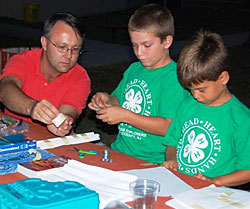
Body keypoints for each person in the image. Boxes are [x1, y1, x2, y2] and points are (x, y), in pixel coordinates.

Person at [88, 4, 188, 164]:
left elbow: (168, 127)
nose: (139, 52)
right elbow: (118, 99)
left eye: (147, 45)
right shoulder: (134, 69)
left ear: (167, 41)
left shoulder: (173, 78)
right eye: (134, 45)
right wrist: (106, 100)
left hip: (152, 160)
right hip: (120, 152)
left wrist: (126, 116)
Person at [162, 30, 250, 186]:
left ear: (223, 78)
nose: (195, 95)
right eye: (190, 89)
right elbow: (172, 143)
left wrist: (214, 181)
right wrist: (172, 160)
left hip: (216, 195)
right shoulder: (188, 105)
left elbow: (247, 171)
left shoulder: (241, 119)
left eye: (201, 90)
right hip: (179, 185)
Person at [0, 13, 90, 136]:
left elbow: (69, 110)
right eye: (62, 47)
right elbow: (5, 90)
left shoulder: (80, 77)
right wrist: (31, 107)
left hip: (54, 143)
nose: (68, 56)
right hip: (14, 136)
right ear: (44, 43)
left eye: (75, 49)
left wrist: (65, 122)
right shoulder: (23, 61)